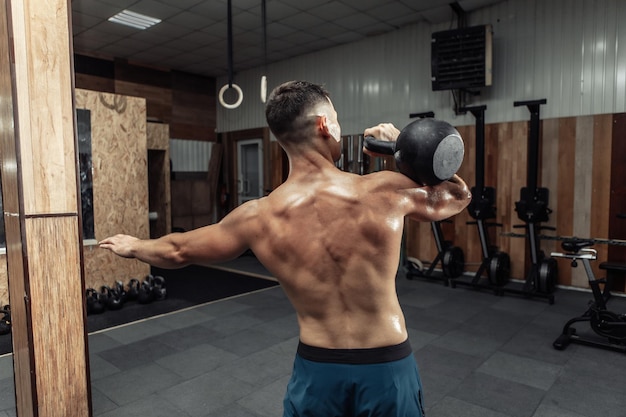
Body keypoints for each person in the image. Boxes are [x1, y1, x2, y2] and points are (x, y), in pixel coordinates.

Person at [99, 80, 471, 417]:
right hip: (386, 367)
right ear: (325, 125)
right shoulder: (385, 190)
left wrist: (136, 246)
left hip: (318, 370)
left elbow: (179, 250)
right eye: (337, 119)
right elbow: (457, 194)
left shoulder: (258, 217)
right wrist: (397, 149)